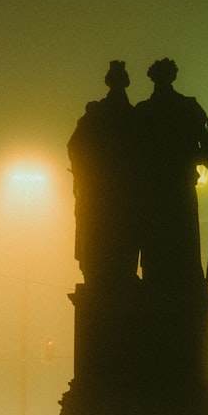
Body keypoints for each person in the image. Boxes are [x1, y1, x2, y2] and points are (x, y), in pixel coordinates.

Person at [132, 58, 208, 292]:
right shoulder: (187, 108)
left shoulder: (143, 112)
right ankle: (182, 286)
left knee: (156, 251)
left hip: (152, 194)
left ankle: (158, 286)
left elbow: (129, 155)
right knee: (182, 248)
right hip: (178, 191)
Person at [67, 60, 140, 290]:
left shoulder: (95, 115)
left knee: (100, 238)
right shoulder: (133, 117)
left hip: (99, 191)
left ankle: (102, 276)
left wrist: (84, 175)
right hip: (122, 190)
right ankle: (120, 275)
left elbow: (74, 147)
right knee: (123, 237)